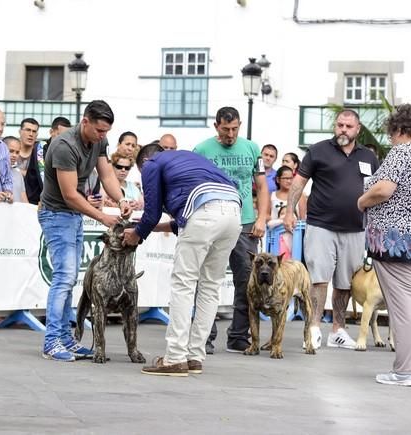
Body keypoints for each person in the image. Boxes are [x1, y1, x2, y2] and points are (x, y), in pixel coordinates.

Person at [122, 144, 241, 376]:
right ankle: (195, 356)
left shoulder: (151, 164)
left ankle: (175, 357)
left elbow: (152, 212)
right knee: (210, 287)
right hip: (233, 212)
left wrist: (137, 235)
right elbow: (198, 215)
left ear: (143, 162)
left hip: (204, 211)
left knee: (184, 284)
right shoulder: (190, 159)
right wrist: (153, 229)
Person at [38, 100, 131, 362]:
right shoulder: (64, 145)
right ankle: (52, 340)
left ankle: (67, 338)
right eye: (99, 131)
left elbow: (107, 174)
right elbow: (69, 195)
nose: (103, 136)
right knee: (64, 277)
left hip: (74, 215)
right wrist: (103, 217)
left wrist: (121, 199)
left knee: (69, 279)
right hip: (56, 213)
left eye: (106, 132)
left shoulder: (99, 140)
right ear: (85, 121)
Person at [357, 104, 411, 387]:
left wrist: (362, 201)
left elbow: (383, 189)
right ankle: (410, 365)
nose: (391, 140)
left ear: (403, 130)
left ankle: (405, 371)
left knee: (403, 304)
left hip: (395, 241)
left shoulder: (403, 152)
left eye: (392, 134)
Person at [283, 109, 379, 350]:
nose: (343, 130)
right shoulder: (318, 150)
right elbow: (299, 182)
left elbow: (377, 192)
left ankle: (338, 329)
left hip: (356, 228)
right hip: (321, 225)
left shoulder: (368, 157)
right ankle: (314, 327)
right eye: (339, 125)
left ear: (358, 129)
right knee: (319, 279)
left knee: (345, 282)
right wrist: (288, 211)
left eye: (348, 126)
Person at [193, 106, 269, 354]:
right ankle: (204, 336)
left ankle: (238, 336)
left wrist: (262, 217)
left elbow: (261, 184)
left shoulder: (251, 148)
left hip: (245, 220)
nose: (231, 134)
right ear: (216, 126)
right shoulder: (202, 150)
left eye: (235, 128)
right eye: (225, 129)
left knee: (246, 280)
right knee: (208, 277)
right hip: (212, 218)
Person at [18, 118, 45, 204]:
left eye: (34, 131)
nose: (31, 134)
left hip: (35, 202)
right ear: (20, 131)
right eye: (28, 130)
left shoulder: (41, 153)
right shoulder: (10, 149)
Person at [4, 136, 28, 203]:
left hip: (18, 213)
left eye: (17, 152)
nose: (14, 155)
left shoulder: (18, 175)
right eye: (11, 151)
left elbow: (24, 200)